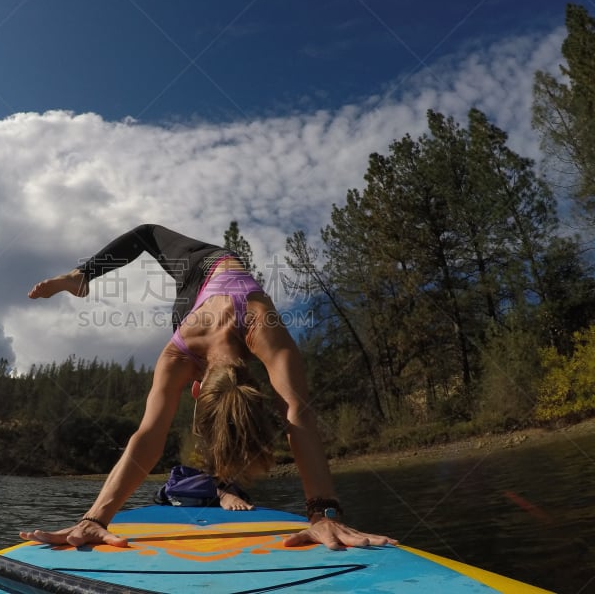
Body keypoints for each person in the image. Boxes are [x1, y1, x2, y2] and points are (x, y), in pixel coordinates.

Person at [20, 224, 397, 550]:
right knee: (147, 235)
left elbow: (149, 434)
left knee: (147, 234)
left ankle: (81, 276)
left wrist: (95, 519)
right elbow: (296, 415)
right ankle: (80, 277)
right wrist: (323, 514)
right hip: (210, 266)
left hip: (191, 312)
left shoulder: (188, 350)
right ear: (197, 390)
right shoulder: (253, 328)